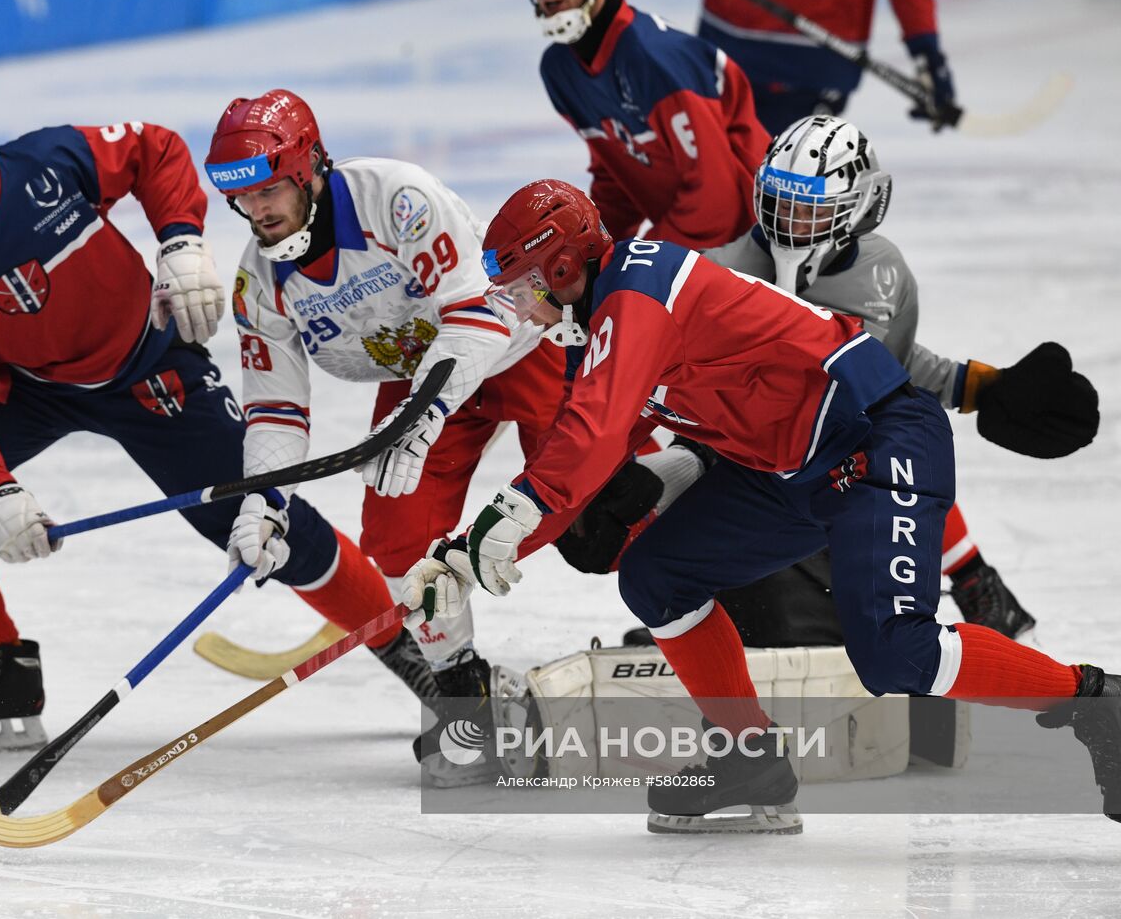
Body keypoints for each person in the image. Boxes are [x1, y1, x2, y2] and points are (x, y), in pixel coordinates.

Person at [402, 178, 1112, 833]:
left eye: (518, 290)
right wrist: (463, 558)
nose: (518, 311)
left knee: (898, 654)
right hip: (792, 470)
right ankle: (749, 756)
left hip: (877, 437)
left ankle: (1093, 700)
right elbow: (573, 463)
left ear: (560, 269)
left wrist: (496, 531)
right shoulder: (599, 321)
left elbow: (588, 437)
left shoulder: (638, 291)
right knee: (658, 575)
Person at [0, 83, 427, 755]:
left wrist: (180, 239)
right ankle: (2, 669)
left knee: (258, 516)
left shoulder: (44, 164)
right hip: (34, 389)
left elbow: (154, 149)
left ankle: (420, 660)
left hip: (149, 362)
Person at [560, 115, 1098, 639]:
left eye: (809, 210)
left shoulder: (884, 272)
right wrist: (655, 466)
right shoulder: (715, 269)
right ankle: (687, 615)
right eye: (780, 204)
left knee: (882, 438)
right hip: (741, 457)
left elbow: (886, 371)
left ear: (860, 206)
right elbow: (682, 389)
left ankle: (970, 580)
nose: (790, 224)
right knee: (632, 517)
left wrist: (977, 386)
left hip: (821, 464)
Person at [203, 89, 568, 779]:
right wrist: (263, 502)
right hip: (421, 379)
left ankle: (721, 617)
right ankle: (466, 695)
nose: (256, 211)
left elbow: (477, 312)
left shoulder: (395, 198)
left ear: (309, 168)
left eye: (269, 189)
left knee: (599, 516)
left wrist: (419, 418)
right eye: (240, 197)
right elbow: (276, 406)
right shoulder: (261, 284)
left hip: (517, 342)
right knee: (397, 541)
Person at [526, 0, 770, 247]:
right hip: (704, 235)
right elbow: (617, 183)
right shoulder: (561, 71)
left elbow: (716, 198)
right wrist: (593, 251)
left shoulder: (655, 57)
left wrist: (644, 257)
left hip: (758, 237)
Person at [698, 0, 957, 134]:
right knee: (781, 189)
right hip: (811, 60)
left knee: (719, 181)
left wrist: (927, 54)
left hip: (730, 42)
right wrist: (927, 54)